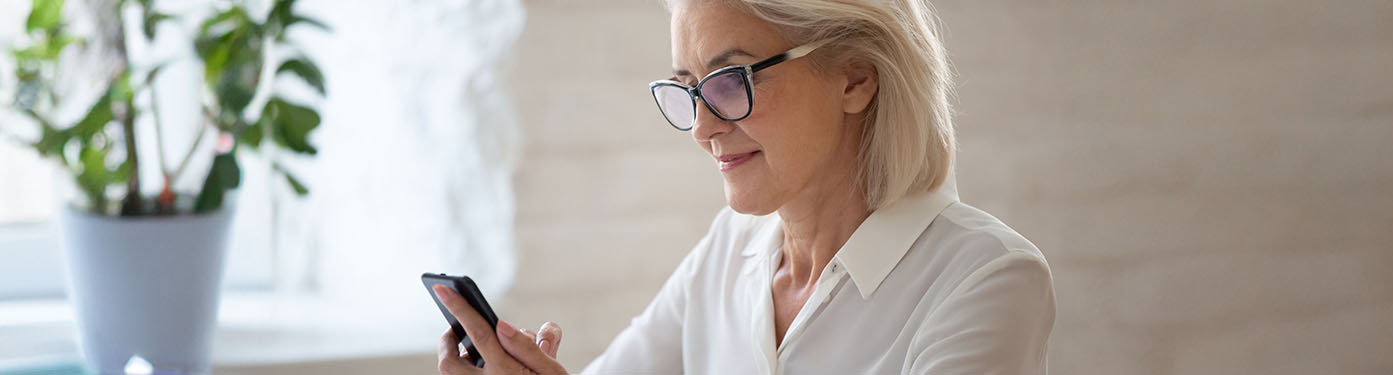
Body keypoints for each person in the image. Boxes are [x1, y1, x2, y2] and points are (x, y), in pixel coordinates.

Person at [433, 0, 1055, 373]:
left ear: (856, 78)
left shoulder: (986, 278)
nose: (703, 127)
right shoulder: (732, 249)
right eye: (689, 87)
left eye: (731, 79)